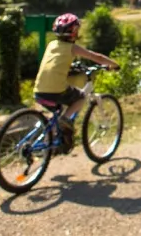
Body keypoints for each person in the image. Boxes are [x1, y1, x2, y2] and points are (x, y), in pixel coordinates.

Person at [33, 13, 120, 153]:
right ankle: (65, 120)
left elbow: (54, 64)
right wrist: (113, 64)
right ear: (74, 32)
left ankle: (49, 144)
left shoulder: (52, 44)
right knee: (80, 97)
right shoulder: (72, 48)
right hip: (56, 90)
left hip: (39, 89)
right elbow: (95, 56)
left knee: (57, 111)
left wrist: (70, 66)